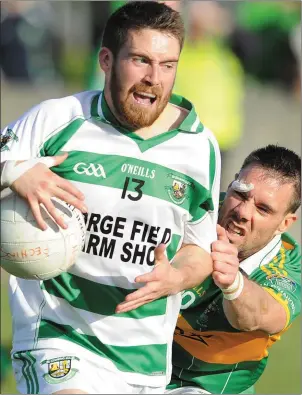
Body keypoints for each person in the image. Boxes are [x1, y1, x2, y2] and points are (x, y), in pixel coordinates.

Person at [0, 2, 221, 394]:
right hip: (57, 337)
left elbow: (199, 249)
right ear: (106, 59)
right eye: (141, 60)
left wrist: (178, 276)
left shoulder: (200, 148)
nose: (154, 78)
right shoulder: (60, 119)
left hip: (144, 361)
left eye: (167, 65)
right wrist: (16, 172)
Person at [167, 145, 301, 394]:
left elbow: (260, 316)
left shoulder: (289, 268)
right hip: (137, 360)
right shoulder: (189, 210)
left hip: (208, 386)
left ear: (285, 223)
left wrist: (233, 283)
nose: (242, 212)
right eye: (240, 194)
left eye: (263, 209)